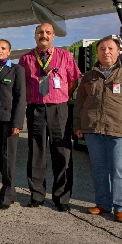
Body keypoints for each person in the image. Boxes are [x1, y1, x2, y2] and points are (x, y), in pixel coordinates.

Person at [73, 37, 122, 223]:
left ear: (118, 51)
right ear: (97, 53)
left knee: (118, 169)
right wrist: (78, 125)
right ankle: (103, 204)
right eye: (102, 49)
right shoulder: (89, 77)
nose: (106, 52)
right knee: (98, 169)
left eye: (110, 48)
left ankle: (121, 208)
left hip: (118, 129)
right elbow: (79, 103)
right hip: (92, 129)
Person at [19, 23, 81, 212]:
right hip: (36, 109)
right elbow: (22, 87)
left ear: (54, 36)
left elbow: (73, 82)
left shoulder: (65, 56)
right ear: (35, 35)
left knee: (62, 153)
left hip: (59, 109)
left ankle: (62, 197)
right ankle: (36, 194)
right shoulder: (26, 59)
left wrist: (59, 97)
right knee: (36, 152)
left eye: (47, 33)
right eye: (40, 33)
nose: (43, 35)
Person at [0, 39, 26, 209]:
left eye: (3, 48)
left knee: (8, 157)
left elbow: (20, 97)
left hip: (9, 120)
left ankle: (6, 195)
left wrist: (17, 122)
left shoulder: (16, 70)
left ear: (9, 52)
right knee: (0, 157)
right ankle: (12, 192)